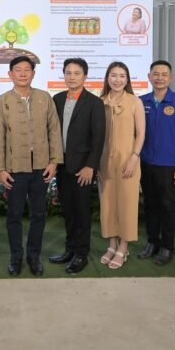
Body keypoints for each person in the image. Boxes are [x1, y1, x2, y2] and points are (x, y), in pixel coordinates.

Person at [0, 56, 63, 276]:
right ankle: (16, 258)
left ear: (33, 73)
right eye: (18, 70)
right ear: (10, 74)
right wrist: (0, 169)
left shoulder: (44, 98)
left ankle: (34, 257)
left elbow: (54, 131)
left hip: (41, 167)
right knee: (14, 215)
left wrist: (54, 161)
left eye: (27, 70)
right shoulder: (2, 101)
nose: (22, 73)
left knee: (38, 214)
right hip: (14, 169)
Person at [48, 58, 105, 274]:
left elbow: (98, 138)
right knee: (69, 211)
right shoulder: (58, 99)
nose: (72, 77)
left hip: (83, 167)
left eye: (77, 73)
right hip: (62, 165)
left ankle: (81, 253)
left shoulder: (94, 103)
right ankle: (70, 249)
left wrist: (91, 166)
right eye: (68, 73)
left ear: (85, 76)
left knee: (81, 212)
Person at [137, 60, 175, 266]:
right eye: (156, 74)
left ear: (170, 78)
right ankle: (152, 242)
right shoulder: (141, 102)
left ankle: (167, 246)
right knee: (150, 204)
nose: (159, 78)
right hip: (145, 163)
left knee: (168, 205)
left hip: (170, 164)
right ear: (149, 77)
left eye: (164, 74)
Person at [97, 61, 146, 269]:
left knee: (127, 203)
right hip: (104, 160)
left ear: (127, 80)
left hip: (128, 159)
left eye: (122, 76)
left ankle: (124, 247)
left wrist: (134, 157)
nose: (117, 80)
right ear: (107, 78)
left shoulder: (135, 102)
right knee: (107, 203)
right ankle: (112, 244)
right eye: (114, 75)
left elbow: (141, 133)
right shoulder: (100, 102)